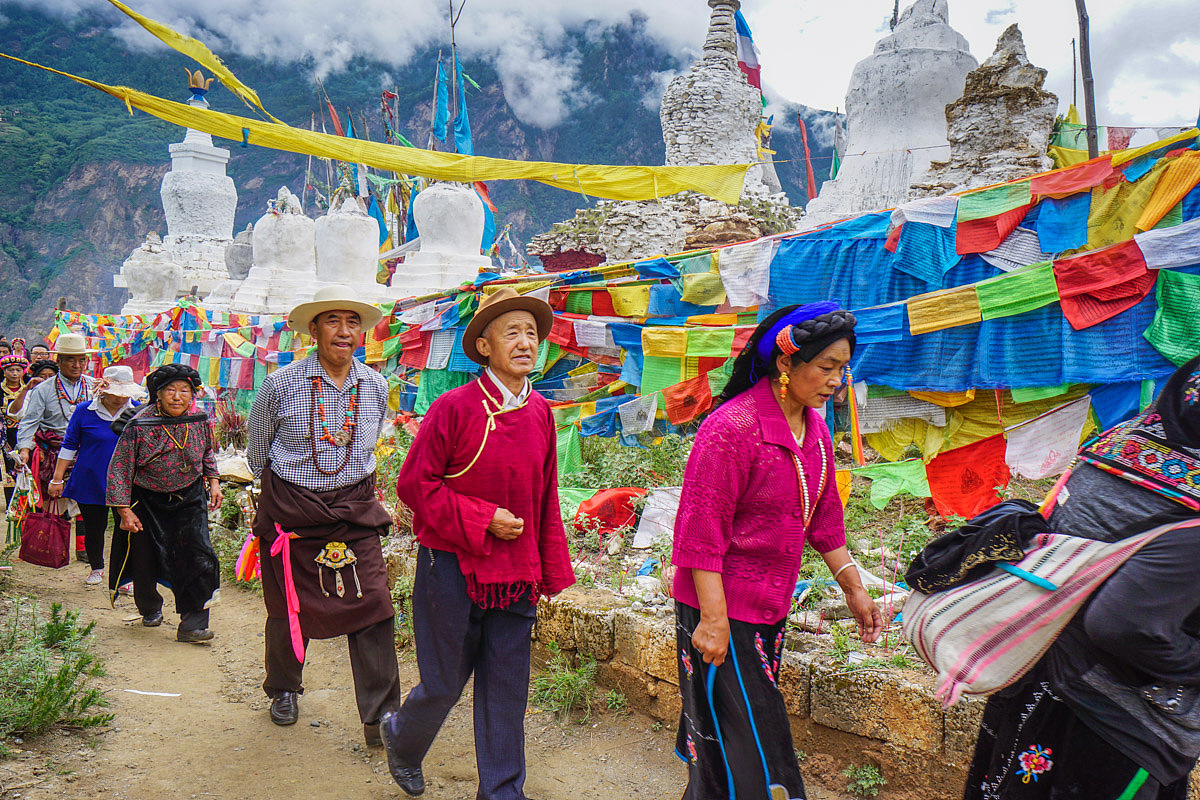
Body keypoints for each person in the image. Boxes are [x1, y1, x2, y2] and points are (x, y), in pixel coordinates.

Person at [671, 303, 883, 800]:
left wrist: (855, 589)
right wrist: (714, 620)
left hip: (770, 607)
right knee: (764, 748)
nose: (837, 379)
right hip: (720, 606)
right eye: (826, 367)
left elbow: (825, 520)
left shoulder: (816, 433)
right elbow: (701, 533)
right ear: (786, 365)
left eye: (843, 368)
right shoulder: (731, 429)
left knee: (730, 736)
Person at [963, 356, 1200, 800]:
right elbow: (1123, 624)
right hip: (1115, 716)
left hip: (1033, 663)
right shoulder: (1191, 506)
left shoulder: (1123, 441)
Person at [383, 286, 575, 799]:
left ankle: (502, 791)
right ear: (484, 346)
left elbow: (545, 498)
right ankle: (401, 738)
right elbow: (413, 486)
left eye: (531, 333)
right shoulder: (454, 408)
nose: (524, 342)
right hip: (451, 566)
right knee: (445, 681)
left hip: (516, 575)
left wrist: (551, 568)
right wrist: (482, 518)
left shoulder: (539, 414)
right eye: (511, 331)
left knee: (507, 688)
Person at [246, 285, 400, 748]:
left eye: (353, 323)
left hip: (355, 509)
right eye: (333, 321)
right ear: (313, 331)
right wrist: (294, 493)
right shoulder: (282, 383)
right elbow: (258, 453)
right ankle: (283, 689)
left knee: (372, 604)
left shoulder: (374, 384)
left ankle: (382, 716)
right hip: (293, 511)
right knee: (287, 607)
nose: (345, 331)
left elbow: (370, 443)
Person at [106, 364, 222, 643]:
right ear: (158, 394)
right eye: (171, 390)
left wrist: (214, 481)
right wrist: (123, 511)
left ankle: (193, 624)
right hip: (147, 500)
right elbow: (120, 468)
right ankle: (149, 606)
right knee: (145, 558)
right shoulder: (139, 424)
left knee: (199, 556)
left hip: (190, 498)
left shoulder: (199, 419)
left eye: (185, 390)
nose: (178, 396)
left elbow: (207, 452)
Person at [47, 366, 144, 587]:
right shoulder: (84, 411)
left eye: (124, 394)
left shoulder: (138, 411)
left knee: (127, 528)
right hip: (89, 479)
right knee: (93, 527)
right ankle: (96, 567)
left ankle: (126, 575)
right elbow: (69, 445)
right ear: (103, 389)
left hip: (126, 481)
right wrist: (57, 478)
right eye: (115, 393)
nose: (120, 398)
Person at [16, 333, 95, 562]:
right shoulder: (43, 389)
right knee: (55, 500)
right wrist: (24, 449)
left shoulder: (93, 386)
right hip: (54, 453)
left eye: (81, 360)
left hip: (86, 453)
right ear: (59, 360)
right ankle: (49, 547)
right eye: (71, 359)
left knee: (86, 502)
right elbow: (29, 422)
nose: (77, 365)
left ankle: (85, 549)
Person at [2, 354, 28, 503]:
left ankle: (27, 500)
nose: (14, 373)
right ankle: (11, 502)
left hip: (24, 431)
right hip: (5, 434)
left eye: (18, 370)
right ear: (5, 371)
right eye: (11, 370)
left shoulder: (28, 388)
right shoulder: (1, 390)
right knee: (8, 465)